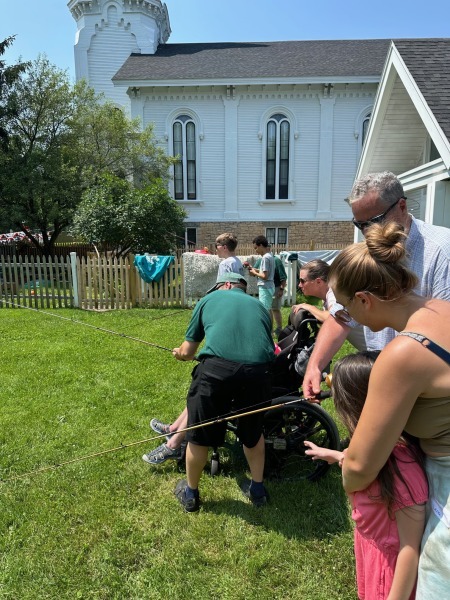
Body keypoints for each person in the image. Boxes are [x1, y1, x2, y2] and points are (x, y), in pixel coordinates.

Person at [325, 221, 450, 596]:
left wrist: (348, 475)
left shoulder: (404, 354)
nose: (348, 318)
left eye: (345, 309)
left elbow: (360, 468)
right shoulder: (441, 309)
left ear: (364, 299)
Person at [303, 171, 450, 398]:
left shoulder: (441, 251)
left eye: (374, 221)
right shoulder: (369, 253)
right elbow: (340, 315)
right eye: (360, 225)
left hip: (427, 390)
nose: (367, 232)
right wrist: (315, 366)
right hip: (388, 378)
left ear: (402, 206)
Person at [305, 351, 428, 600]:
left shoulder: (403, 470)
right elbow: (365, 463)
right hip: (372, 552)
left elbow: (409, 549)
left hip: (391, 574)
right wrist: (336, 455)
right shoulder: (375, 451)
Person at [169, 272, 274, 512]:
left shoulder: (208, 300)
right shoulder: (260, 306)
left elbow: (188, 351)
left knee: (199, 434)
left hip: (216, 372)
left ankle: (191, 494)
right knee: (253, 433)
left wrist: (179, 354)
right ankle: (258, 491)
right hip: (259, 373)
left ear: (225, 285)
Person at [143, 232, 245, 465]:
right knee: (201, 390)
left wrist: (180, 353)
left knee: (204, 393)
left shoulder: (226, 268)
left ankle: (174, 443)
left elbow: (188, 352)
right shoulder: (246, 291)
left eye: (217, 245)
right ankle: (174, 429)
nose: (215, 249)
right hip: (237, 367)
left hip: (234, 374)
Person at [288, 259, 366, 350]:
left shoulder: (334, 293)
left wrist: (309, 307)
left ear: (318, 282)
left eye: (302, 281)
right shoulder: (328, 297)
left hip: (377, 350)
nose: (299, 285)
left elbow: (331, 317)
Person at [254, 253, 287, 336]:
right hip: (265, 288)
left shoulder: (277, 260)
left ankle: (279, 329)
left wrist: (281, 289)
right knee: (267, 309)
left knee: (275, 308)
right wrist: (251, 269)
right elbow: (255, 271)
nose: (256, 250)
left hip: (276, 287)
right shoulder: (260, 260)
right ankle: (270, 330)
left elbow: (283, 277)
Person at [248, 235, 275, 314]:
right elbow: (265, 272)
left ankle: (265, 323)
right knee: (268, 309)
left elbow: (264, 276)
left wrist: (254, 273)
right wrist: (254, 269)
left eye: (256, 248)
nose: (255, 250)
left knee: (264, 310)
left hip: (265, 287)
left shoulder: (265, 258)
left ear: (261, 245)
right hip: (270, 286)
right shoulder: (270, 256)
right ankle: (269, 323)